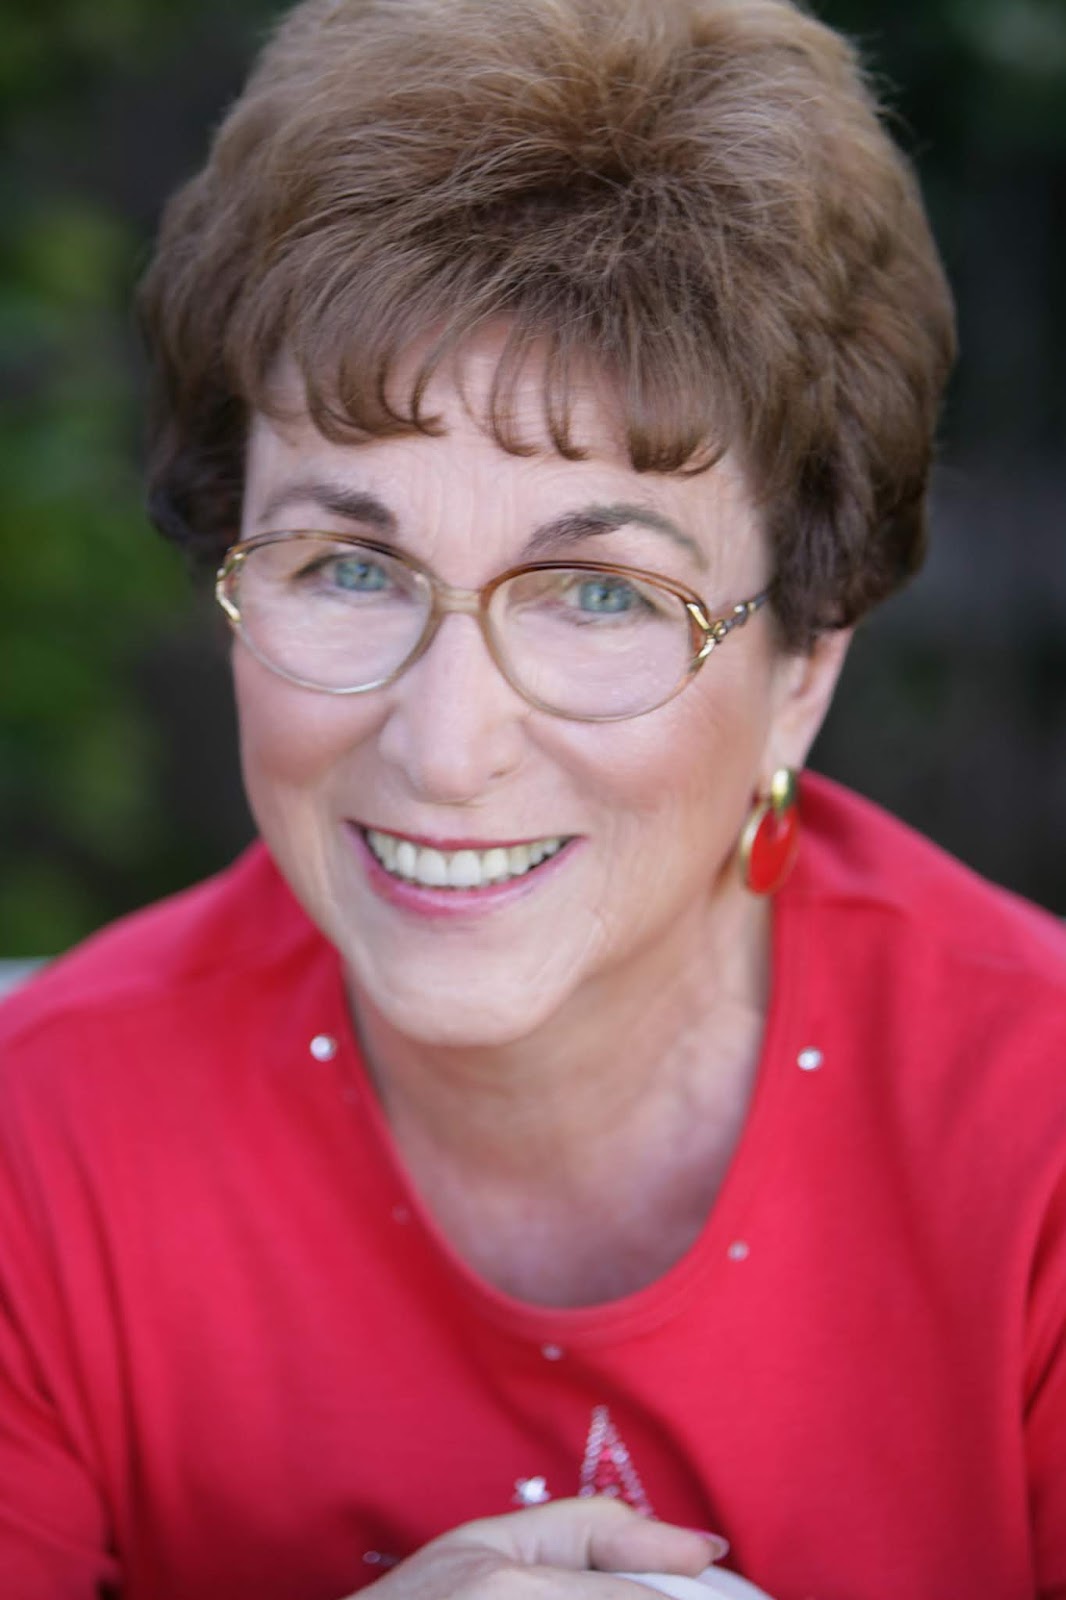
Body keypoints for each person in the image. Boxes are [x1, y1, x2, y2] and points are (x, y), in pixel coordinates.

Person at [1, 0, 1064, 1595]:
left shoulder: (1039, 1134)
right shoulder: (37, 1145)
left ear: (800, 666)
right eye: (347, 566)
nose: (444, 746)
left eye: (599, 595)